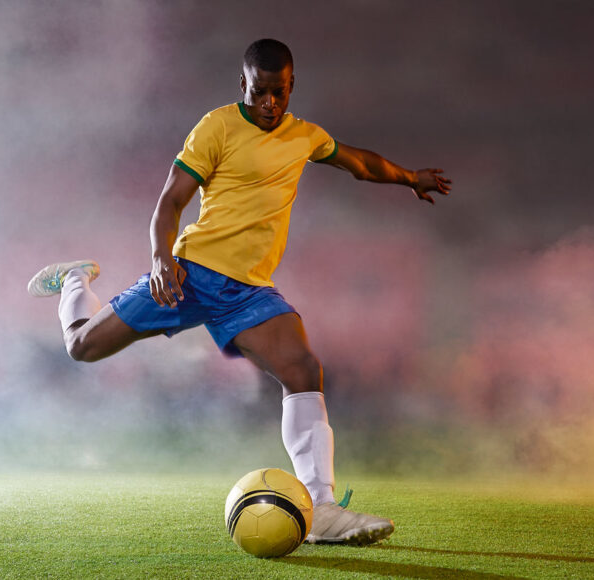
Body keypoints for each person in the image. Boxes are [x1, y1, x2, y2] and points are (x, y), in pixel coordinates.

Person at [28, 38, 451, 545]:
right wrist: (162, 259)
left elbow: (360, 163)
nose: (270, 103)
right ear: (242, 86)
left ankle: (322, 510)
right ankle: (76, 279)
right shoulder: (216, 127)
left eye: (278, 92)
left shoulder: (305, 137)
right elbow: (170, 202)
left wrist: (410, 179)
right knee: (81, 346)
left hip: (249, 292)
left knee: (301, 368)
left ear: (292, 86)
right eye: (259, 93)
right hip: (189, 276)